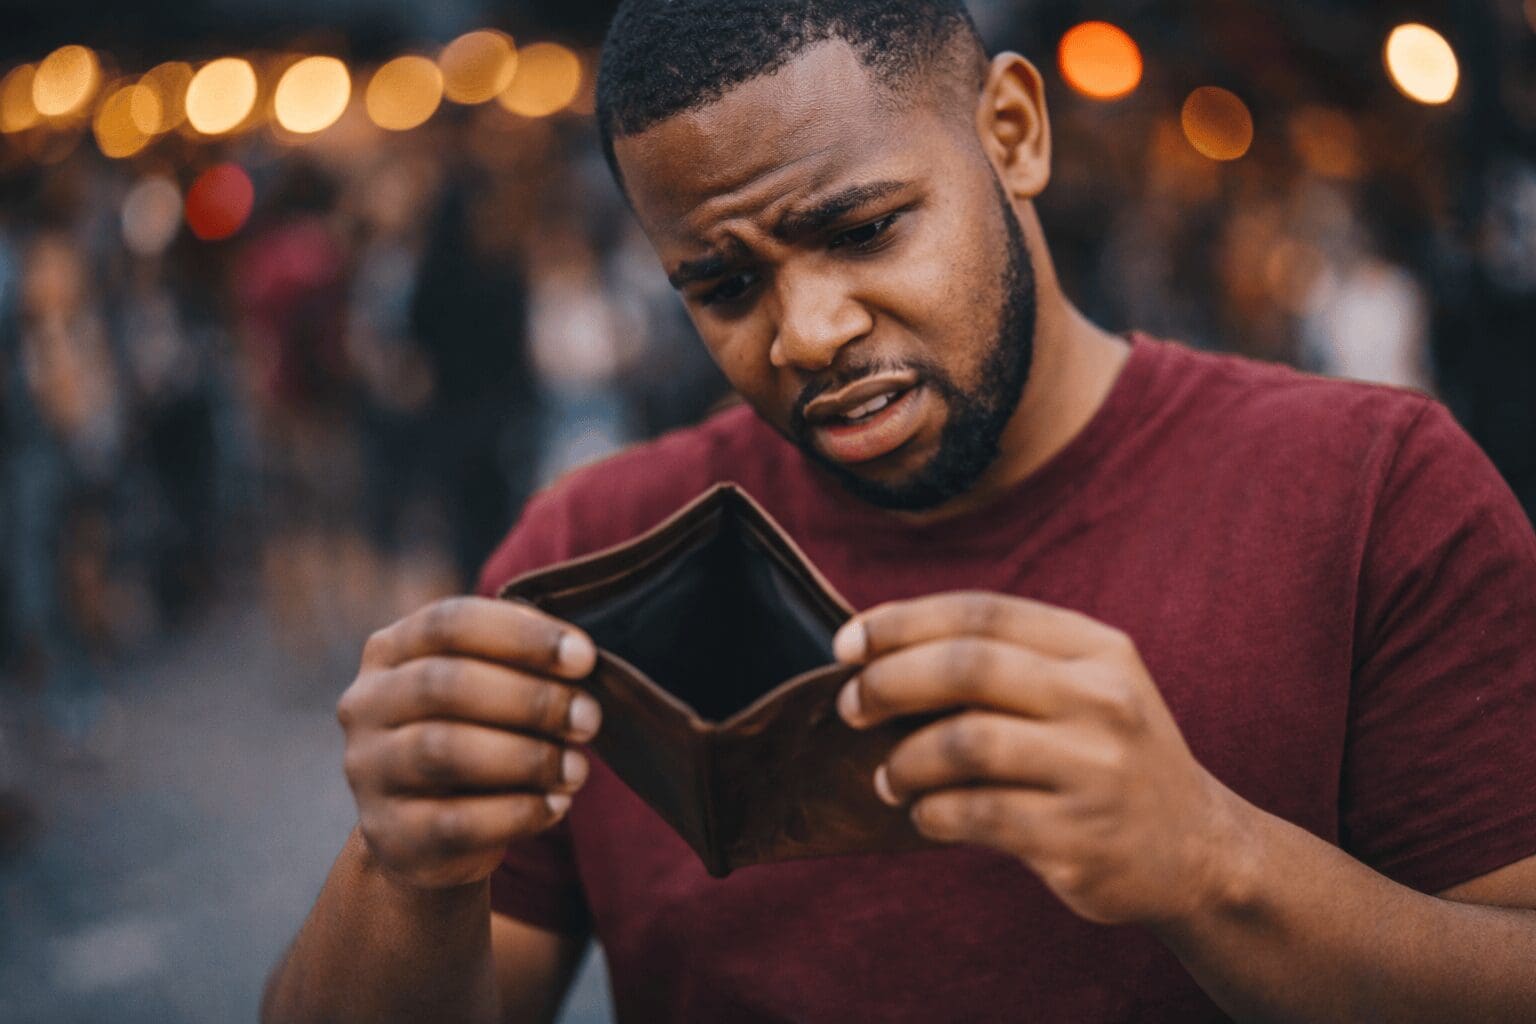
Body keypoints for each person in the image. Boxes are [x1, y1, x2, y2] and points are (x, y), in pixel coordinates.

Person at [262, 2, 1536, 1021]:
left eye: (865, 228)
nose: (808, 333)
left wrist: (1209, 859)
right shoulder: (603, 564)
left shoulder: (1372, 491)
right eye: (721, 284)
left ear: (1015, 131)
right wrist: (405, 864)